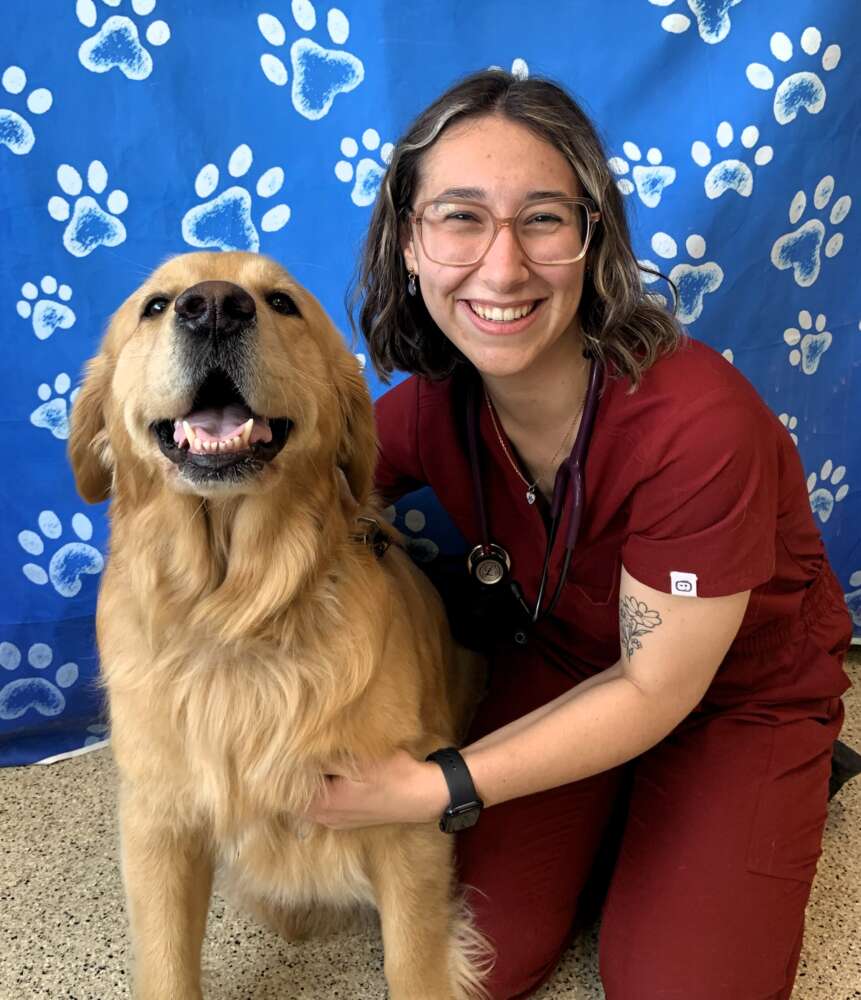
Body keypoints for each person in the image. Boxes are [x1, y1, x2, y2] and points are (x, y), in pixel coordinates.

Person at [306, 70, 853, 999]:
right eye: (461, 216)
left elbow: (651, 686)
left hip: (731, 697)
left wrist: (435, 785)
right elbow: (303, 499)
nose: (504, 266)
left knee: (674, 988)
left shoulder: (696, 423)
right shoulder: (432, 407)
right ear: (409, 241)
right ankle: (628, 810)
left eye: (544, 219)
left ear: (591, 238)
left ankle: (772, 778)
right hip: (559, 666)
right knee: (478, 962)